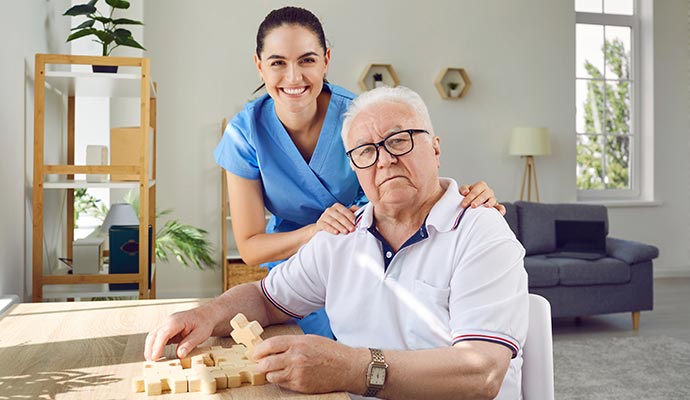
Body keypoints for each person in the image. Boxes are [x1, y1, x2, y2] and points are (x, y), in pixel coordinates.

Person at [148, 86, 528, 399]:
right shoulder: (342, 236)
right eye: (365, 151)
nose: (384, 160)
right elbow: (266, 299)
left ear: (435, 147)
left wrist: (350, 368)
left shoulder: (482, 231)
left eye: (399, 140)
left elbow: (482, 374)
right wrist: (205, 315)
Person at [213, 6, 504, 339]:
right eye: (278, 62)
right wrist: (315, 232)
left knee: (373, 345)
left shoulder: (359, 117)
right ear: (259, 66)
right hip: (292, 258)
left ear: (326, 60)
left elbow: (406, 176)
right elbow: (250, 248)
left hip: (361, 247)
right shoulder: (244, 134)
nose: (293, 77)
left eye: (307, 60)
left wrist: (465, 199)